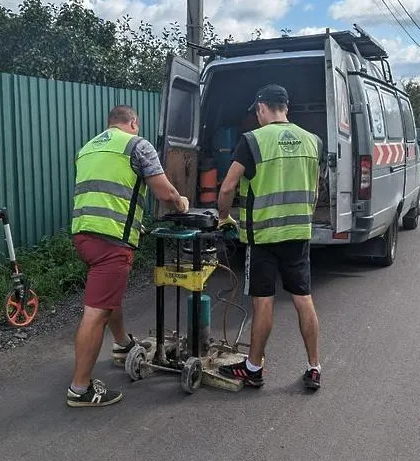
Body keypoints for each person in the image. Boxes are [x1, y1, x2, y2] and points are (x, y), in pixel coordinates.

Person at [67, 105, 189, 407]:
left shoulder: (88, 148)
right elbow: (164, 193)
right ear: (133, 122)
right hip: (112, 240)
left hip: (83, 235)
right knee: (96, 313)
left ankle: (122, 344)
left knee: (108, 297)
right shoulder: (137, 145)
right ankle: (79, 389)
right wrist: (181, 203)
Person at [216, 84, 323, 390]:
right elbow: (314, 191)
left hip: (262, 237)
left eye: (257, 111)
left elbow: (227, 187)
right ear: (285, 107)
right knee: (304, 298)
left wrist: (224, 217)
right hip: (298, 234)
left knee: (264, 302)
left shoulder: (252, 141)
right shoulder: (313, 141)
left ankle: (254, 369)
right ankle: (314, 367)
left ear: (261, 107)